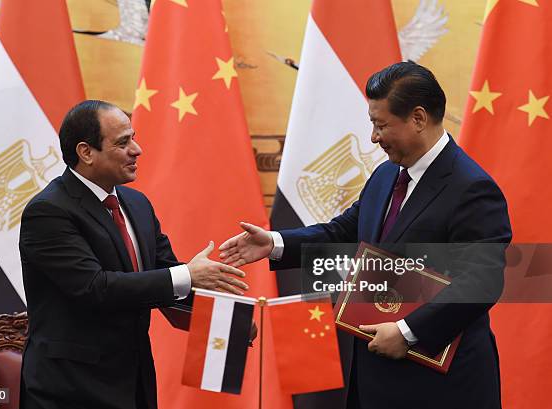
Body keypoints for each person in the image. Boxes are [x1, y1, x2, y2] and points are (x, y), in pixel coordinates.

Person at [219, 62, 511, 409]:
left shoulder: (472, 188)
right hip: (376, 378)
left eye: (381, 125)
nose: (373, 137)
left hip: (439, 386)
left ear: (418, 118)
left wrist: (407, 331)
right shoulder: (387, 174)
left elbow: (481, 282)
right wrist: (275, 243)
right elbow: (343, 232)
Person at [19, 100, 248, 409]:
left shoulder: (137, 204)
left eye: (133, 138)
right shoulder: (49, 211)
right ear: (86, 152)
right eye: (123, 142)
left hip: (134, 379)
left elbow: (165, 276)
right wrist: (187, 275)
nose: (137, 150)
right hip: (72, 388)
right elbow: (94, 288)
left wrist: (230, 318)